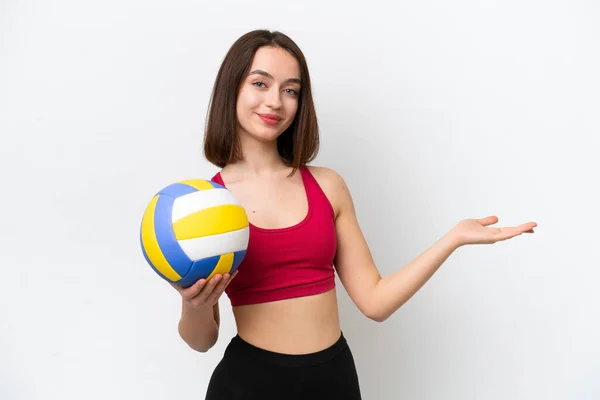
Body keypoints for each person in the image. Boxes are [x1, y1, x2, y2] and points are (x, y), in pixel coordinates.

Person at [170, 29, 537, 400]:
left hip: (333, 380)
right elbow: (202, 341)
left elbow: (375, 302)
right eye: (260, 83)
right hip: (249, 384)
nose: (275, 102)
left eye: (290, 90)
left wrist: (453, 238)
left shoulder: (329, 186)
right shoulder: (206, 204)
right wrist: (192, 302)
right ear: (232, 88)